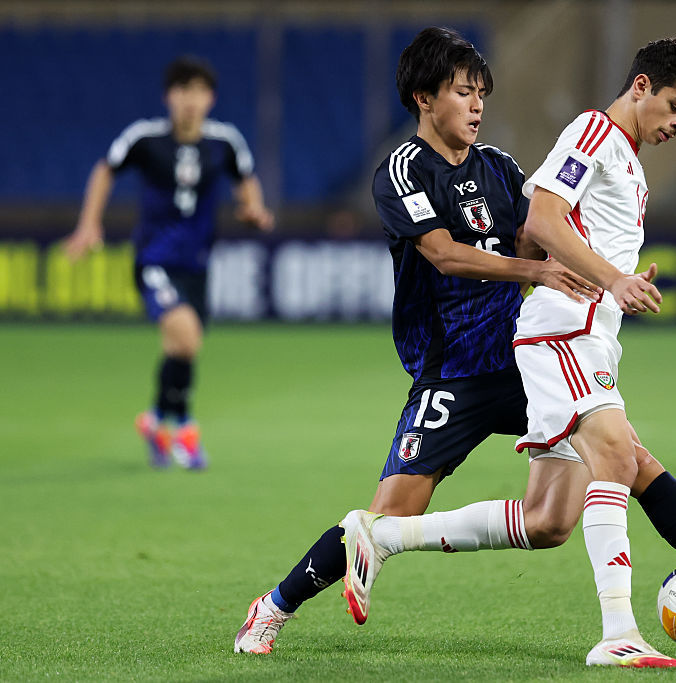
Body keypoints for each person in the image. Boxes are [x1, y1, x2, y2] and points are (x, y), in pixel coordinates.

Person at [341, 39, 676, 668]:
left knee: (549, 519)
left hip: (587, 332)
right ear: (641, 86)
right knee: (620, 457)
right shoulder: (593, 131)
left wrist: (614, 278)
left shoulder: (626, 155)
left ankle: (383, 534)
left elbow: (538, 233)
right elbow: (543, 219)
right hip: (561, 332)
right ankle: (620, 630)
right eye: (674, 106)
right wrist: (608, 280)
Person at [233, 26, 597, 655]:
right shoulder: (403, 171)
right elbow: (444, 255)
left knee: (623, 458)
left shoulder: (502, 168)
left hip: (520, 366)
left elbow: (538, 233)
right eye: (463, 92)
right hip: (450, 374)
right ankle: (272, 606)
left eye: (482, 92)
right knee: (382, 521)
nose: (478, 105)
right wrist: (534, 270)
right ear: (425, 99)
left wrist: (598, 269)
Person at [63, 56, 273, 469]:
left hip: (196, 264)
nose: (189, 100)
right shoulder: (145, 138)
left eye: (198, 91)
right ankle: (185, 432)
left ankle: (156, 420)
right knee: (187, 336)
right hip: (154, 258)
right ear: (168, 97)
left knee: (182, 348)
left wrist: (254, 208)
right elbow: (105, 169)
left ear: (209, 98)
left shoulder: (224, 141)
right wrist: (89, 224)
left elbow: (245, 176)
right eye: (182, 91)